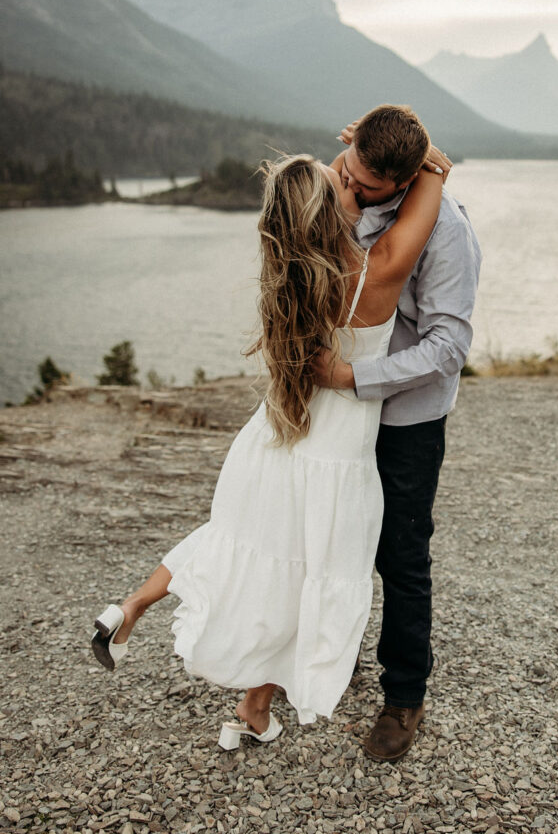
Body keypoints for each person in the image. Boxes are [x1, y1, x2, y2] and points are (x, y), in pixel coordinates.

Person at [91, 148, 447, 749]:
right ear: (329, 210)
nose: (351, 185)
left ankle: (139, 613)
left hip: (272, 440)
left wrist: (333, 172)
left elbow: (322, 192)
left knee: (244, 548)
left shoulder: (289, 277)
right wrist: (428, 165)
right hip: (333, 457)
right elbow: (427, 192)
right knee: (299, 577)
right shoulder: (372, 274)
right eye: (344, 184)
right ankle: (252, 704)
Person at [313, 104, 481, 762]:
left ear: (406, 180)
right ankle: (332, 657)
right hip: (341, 407)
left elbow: (446, 349)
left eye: (365, 187)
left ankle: (403, 696)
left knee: (401, 557)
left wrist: (353, 377)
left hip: (406, 416)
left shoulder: (446, 231)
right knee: (335, 537)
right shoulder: (348, 178)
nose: (348, 190)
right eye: (347, 172)